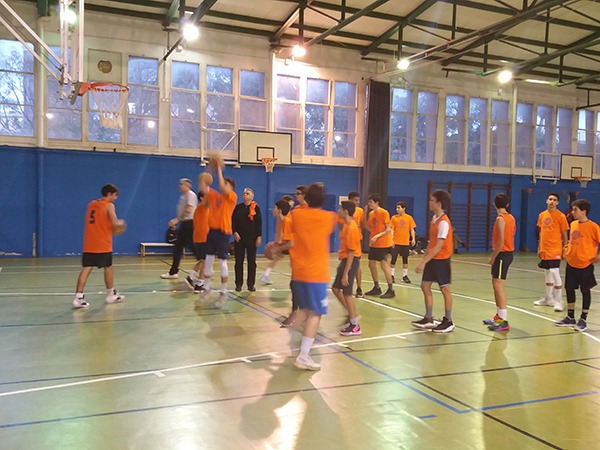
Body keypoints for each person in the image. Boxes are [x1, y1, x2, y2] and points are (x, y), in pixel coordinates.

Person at [272, 183, 336, 370]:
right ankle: (303, 355)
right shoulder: (328, 218)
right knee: (315, 313)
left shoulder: (296, 215)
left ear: (306, 198)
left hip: (298, 272)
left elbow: (289, 234)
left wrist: (276, 248)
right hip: (316, 274)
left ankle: (293, 338)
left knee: (304, 310)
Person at [72, 184, 125, 308]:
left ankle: (78, 297)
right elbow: (115, 224)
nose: (116, 198)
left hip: (89, 243)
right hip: (103, 243)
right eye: (115, 195)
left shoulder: (91, 204)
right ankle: (110, 294)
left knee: (86, 268)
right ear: (109, 194)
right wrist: (121, 224)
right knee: (108, 267)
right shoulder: (109, 205)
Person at [412, 190, 455, 333]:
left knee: (445, 289)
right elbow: (432, 243)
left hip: (441, 260)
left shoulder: (444, 223)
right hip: (432, 258)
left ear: (438, 203)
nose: (429, 202)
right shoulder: (434, 219)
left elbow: (439, 246)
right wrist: (425, 256)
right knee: (425, 286)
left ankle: (448, 321)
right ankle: (429, 318)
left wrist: (423, 262)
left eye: (432, 200)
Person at [555, 199, 600, 332]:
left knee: (585, 291)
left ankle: (583, 319)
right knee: (569, 289)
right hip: (571, 263)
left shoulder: (593, 227)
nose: (572, 212)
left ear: (583, 212)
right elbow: (572, 240)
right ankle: (570, 317)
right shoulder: (573, 224)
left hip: (585, 264)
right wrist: (566, 250)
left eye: (575, 210)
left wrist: (598, 257)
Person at [200, 159, 237, 308]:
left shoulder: (231, 197)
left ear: (231, 187)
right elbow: (203, 186)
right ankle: (206, 288)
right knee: (208, 260)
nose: (223, 185)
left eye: (226, 184)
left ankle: (223, 291)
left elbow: (223, 187)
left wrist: (220, 169)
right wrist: (210, 169)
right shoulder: (215, 196)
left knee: (222, 262)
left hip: (223, 232)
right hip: (212, 231)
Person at [483, 193, 516, 332]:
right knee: (495, 284)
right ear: (507, 204)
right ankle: (498, 316)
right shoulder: (511, 217)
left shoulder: (500, 219)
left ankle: (504, 321)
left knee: (498, 285)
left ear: (494, 204)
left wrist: (493, 257)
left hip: (503, 254)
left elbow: (501, 241)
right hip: (506, 253)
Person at [533, 192, 569, 312]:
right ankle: (548, 298)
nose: (552, 201)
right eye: (550, 199)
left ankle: (559, 300)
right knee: (547, 272)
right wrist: (539, 247)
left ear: (557, 203)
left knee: (554, 271)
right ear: (546, 201)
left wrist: (565, 249)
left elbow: (564, 234)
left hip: (555, 248)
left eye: (554, 200)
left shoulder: (561, 216)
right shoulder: (542, 215)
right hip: (544, 248)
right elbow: (541, 233)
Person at [332, 201, 362, 336]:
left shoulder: (352, 228)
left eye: (340, 209)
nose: (339, 211)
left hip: (351, 261)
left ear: (345, 211)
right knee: (335, 288)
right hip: (345, 260)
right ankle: (351, 314)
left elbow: (351, 252)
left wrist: (345, 273)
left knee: (347, 293)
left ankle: (355, 325)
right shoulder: (346, 225)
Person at [160, 178, 199, 279]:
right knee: (178, 248)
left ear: (187, 185)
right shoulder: (183, 196)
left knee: (193, 247)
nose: (179, 186)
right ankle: (173, 272)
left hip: (189, 224)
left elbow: (189, 209)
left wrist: (177, 219)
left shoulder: (191, 195)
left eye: (182, 184)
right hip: (184, 224)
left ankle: (204, 264)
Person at [364, 193, 395, 299]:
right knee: (371, 264)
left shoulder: (384, 212)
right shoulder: (371, 213)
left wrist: (377, 236)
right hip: (374, 243)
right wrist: (364, 214)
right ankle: (376, 287)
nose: (369, 204)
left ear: (376, 202)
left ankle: (391, 289)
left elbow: (388, 229)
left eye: (371, 202)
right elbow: (368, 227)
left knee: (383, 265)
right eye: (369, 202)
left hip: (382, 243)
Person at [232, 187, 262, 292]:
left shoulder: (256, 208)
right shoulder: (238, 208)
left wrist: (259, 236)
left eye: (247, 193)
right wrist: (234, 232)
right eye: (244, 193)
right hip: (239, 239)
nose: (245, 195)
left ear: (252, 196)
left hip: (252, 238)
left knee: (251, 262)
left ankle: (251, 284)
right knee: (238, 262)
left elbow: (259, 223)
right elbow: (233, 221)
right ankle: (238, 284)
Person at [185, 176, 211, 292]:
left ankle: (191, 276)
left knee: (202, 260)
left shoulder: (201, 209)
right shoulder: (202, 207)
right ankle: (200, 284)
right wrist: (206, 182)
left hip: (200, 237)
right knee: (205, 261)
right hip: (202, 237)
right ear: (202, 198)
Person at [337, 191, 365, 297]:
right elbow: (340, 225)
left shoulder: (360, 212)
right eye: (355, 200)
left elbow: (363, 224)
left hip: (355, 240)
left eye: (358, 200)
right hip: (348, 240)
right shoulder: (343, 213)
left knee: (355, 263)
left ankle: (358, 287)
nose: (357, 202)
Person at [261, 195, 292, 285]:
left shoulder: (287, 221)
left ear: (279, 210)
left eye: (274, 208)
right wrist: (277, 244)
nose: (273, 210)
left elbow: (291, 243)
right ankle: (265, 275)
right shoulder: (283, 221)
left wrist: (277, 248)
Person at [389, 201, 416, 284]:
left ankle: (405, 276)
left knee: (405, 259)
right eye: (396, 208)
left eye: (399, 208)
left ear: (404, 208)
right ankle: (391, 275)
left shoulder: (409, 218)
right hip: (396, 242)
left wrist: (413, 238)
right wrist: (391, 239)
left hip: (405, 242)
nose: (397, 209)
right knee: (393, 259)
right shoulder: (394, 218)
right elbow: (392, 229)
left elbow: (412, 229)